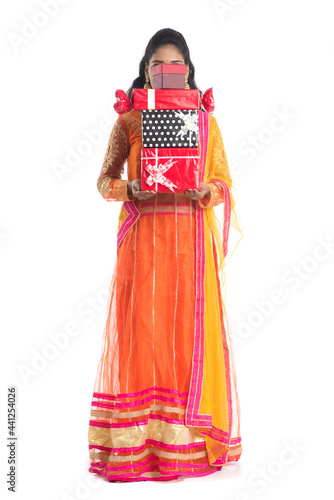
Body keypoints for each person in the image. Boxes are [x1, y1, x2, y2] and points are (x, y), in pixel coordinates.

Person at [88, 28, 243, 482]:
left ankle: (186, 444)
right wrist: (129, 187)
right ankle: (138, 446)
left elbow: (224, 184)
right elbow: (103, 182)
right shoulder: (130, 123)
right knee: (143, 333)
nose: (166, 74)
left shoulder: (205, 122)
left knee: (186, 334)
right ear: (146, 73)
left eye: (176, 68)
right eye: (157, 67)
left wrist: (206, 190)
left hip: (189, 241)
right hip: (144, 239)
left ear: (188, 73)